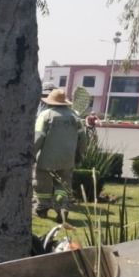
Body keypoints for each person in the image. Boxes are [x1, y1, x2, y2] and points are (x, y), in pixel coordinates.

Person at [32, 88, 88, 222]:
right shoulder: (75, 115)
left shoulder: (45, 115)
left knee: (41, 184)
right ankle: (62, 208)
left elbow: (39, 136)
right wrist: (80, 154)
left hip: (46, 158)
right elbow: (83, 137)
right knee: (62, 185)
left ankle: (41, 209)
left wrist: (31, 154)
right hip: (67, 159)